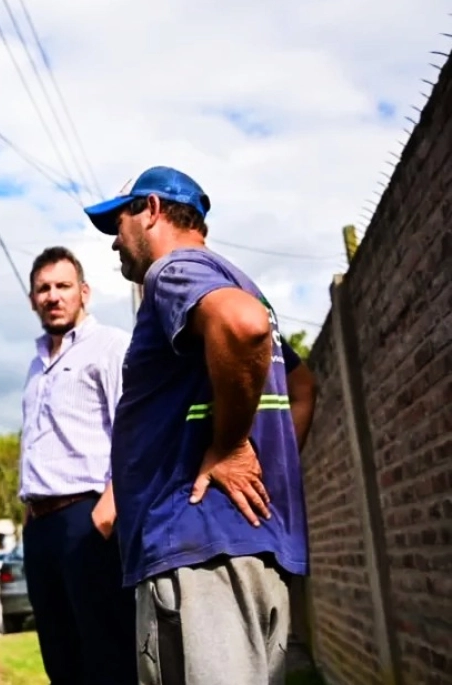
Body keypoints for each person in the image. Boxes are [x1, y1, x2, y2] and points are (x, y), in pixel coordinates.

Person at [84, 166, 317, 685]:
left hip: (197, 554)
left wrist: (232, 447)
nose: (114, 245)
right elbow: (303, 390)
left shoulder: (173, 271)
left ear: (151, 211)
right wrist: (266, 475)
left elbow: (242, 327)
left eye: (117, 225)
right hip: (249, 549)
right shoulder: (241, 282)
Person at [18, 246, 137, 685]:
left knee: (108, 656)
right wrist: (28, 521)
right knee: (61, 659)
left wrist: (108, 508)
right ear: (32, 300)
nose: (53, 296)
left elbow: (133, 430)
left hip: (88, 520)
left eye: (63, 286)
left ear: (83, 291)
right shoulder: (36, 366)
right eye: (43, 289)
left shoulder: (109, 346)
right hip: (41, 528)